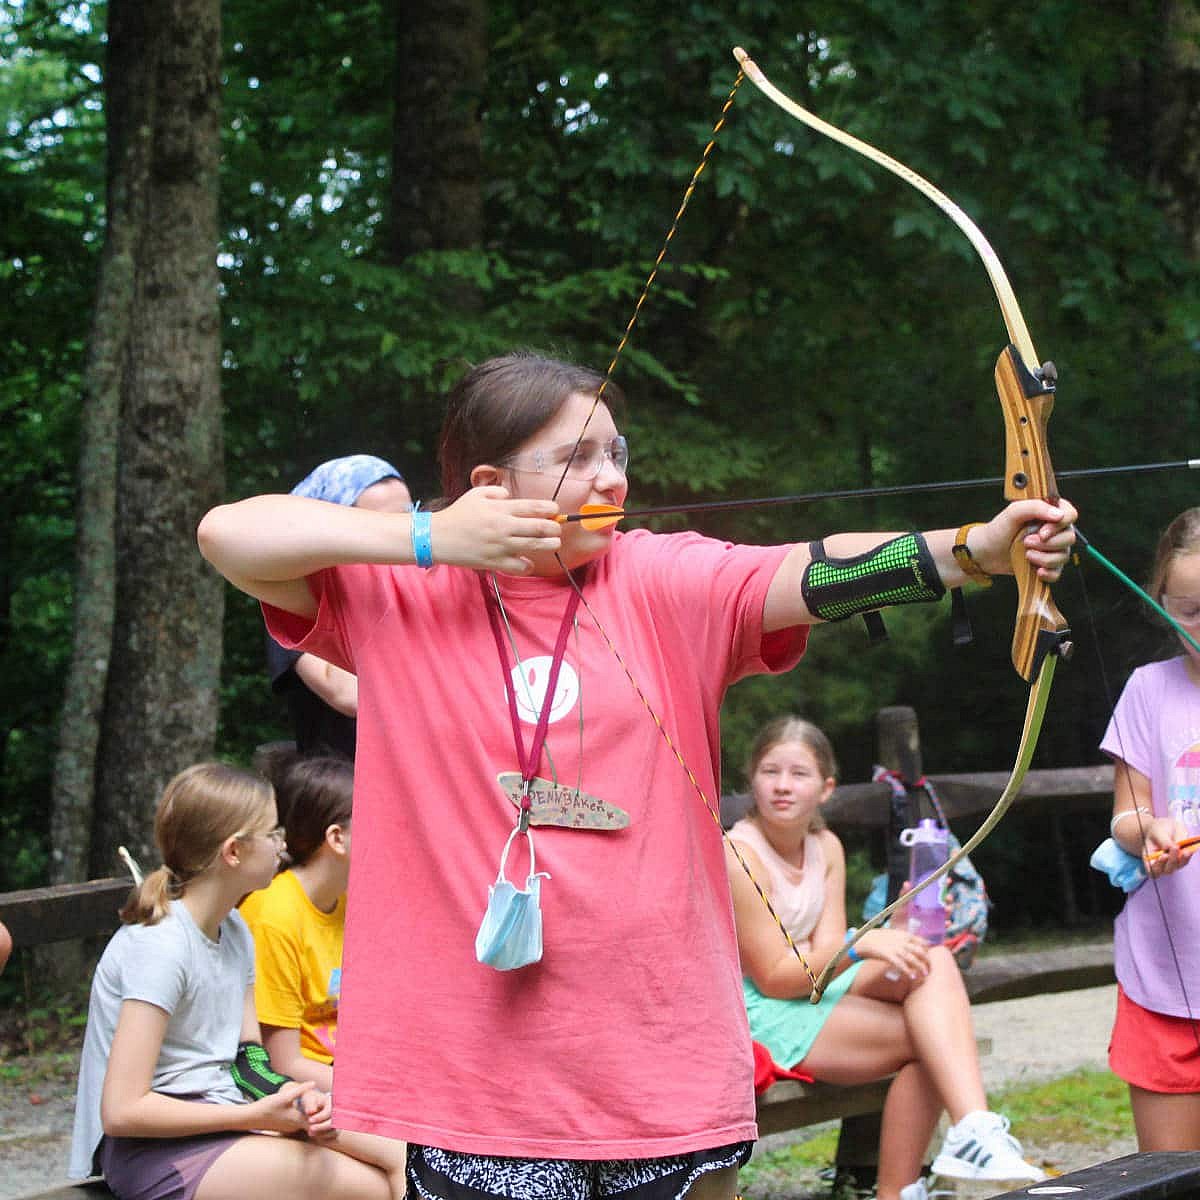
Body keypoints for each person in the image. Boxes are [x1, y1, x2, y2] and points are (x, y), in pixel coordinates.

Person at [196, 350, 1076, 1200]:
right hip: (478, 1074)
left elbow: (811, 571)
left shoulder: (661, 575)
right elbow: (227, 533)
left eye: (615, 451)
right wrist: (431, 536)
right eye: (576, 457)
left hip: (663, 1054)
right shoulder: (397, 592)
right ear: (490, 488)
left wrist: (971, 549)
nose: (610, 476)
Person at [726, 717, 1043, 1200]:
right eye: (771, 772)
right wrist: (859, 943)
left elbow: (827, 952)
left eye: (799, 774)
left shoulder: (825, 846)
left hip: (810, 985)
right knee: (928, 1041)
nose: (783, 786)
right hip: (757, 1009)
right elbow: (771, 976)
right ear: (753, 779)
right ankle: (900, 1190)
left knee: (930, 958)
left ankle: (975, 1132)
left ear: (826, 788)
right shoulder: (739, 854)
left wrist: (885, 936)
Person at [68, 762, 407, 1200]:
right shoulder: (161, 947)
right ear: (233, 852)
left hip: (230, 1115)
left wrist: (296, 1100)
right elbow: (122, 1110)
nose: (282, 847)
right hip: (153, 1150)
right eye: (271, 834)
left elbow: (249, 1062)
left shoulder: (234, 929)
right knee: (371, 1187)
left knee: (399, 1154)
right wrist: (259, 1117)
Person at [1102, 507, 1200, 1151]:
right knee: (1168, 1180)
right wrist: (1151, 830)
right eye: (1186, 608)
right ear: (1159, 599)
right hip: (1167, 974)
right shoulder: (1147, 689)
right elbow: (1127, 814)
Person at [266, 455, 412, 758]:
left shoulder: (419, 588)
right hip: (338, 788)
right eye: (381, 524)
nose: (402, 533)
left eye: (409, 517)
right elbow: (348, 694)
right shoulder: (295, 597)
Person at [241, 748, 354, 1090]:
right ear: (336, 838)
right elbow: (283, 1062)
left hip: (347, 1071)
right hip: (303, 1090)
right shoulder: (273, 914)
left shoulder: (349, 901)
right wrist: (381, 1095)